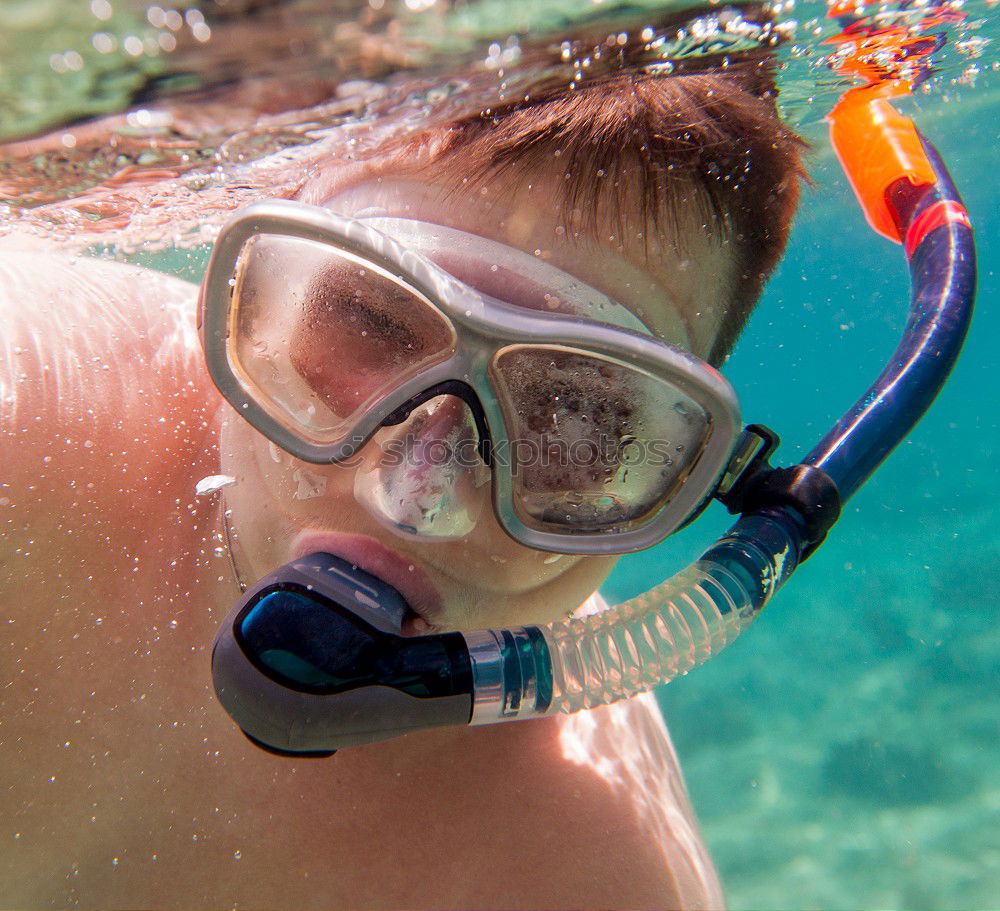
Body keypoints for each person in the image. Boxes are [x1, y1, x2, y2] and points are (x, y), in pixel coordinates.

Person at [0, 10, 806, 908]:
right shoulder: (28, 409)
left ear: (680, 472)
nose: (417, 495)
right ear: (242, 304)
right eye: (371, 322)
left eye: (571, 413)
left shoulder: (584, 870)